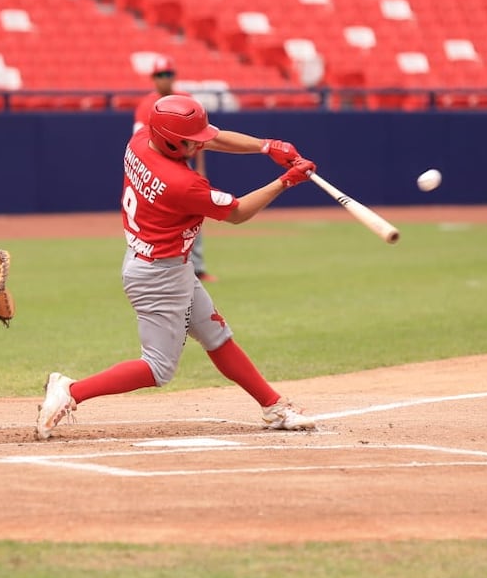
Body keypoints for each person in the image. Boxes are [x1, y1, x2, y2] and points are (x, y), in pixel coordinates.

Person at [35, 94, 317, 440]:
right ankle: (71, 390)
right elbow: (239, 212)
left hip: (163, 264)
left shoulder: (141, 140)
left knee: (216, 336)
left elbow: (213, 136)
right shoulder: (183, 184)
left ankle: (273, 406)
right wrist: (286, 180)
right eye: (189, 142)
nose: (199, 146)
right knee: (158, 368)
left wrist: (267, 146)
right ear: (170, 140)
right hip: (159, 276)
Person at [133, 56, 215, 283]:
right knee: (153, 221)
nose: (164, 79)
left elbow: (201, 139)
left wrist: (199, 168)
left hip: (182, 164)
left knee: (192, 216)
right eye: (160, 75)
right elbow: (139, 140)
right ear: (153, 79)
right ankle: (145, 262)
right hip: (157, 168)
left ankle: (196, 268)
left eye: (168, 74)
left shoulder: (186, 100)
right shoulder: (145, 106)